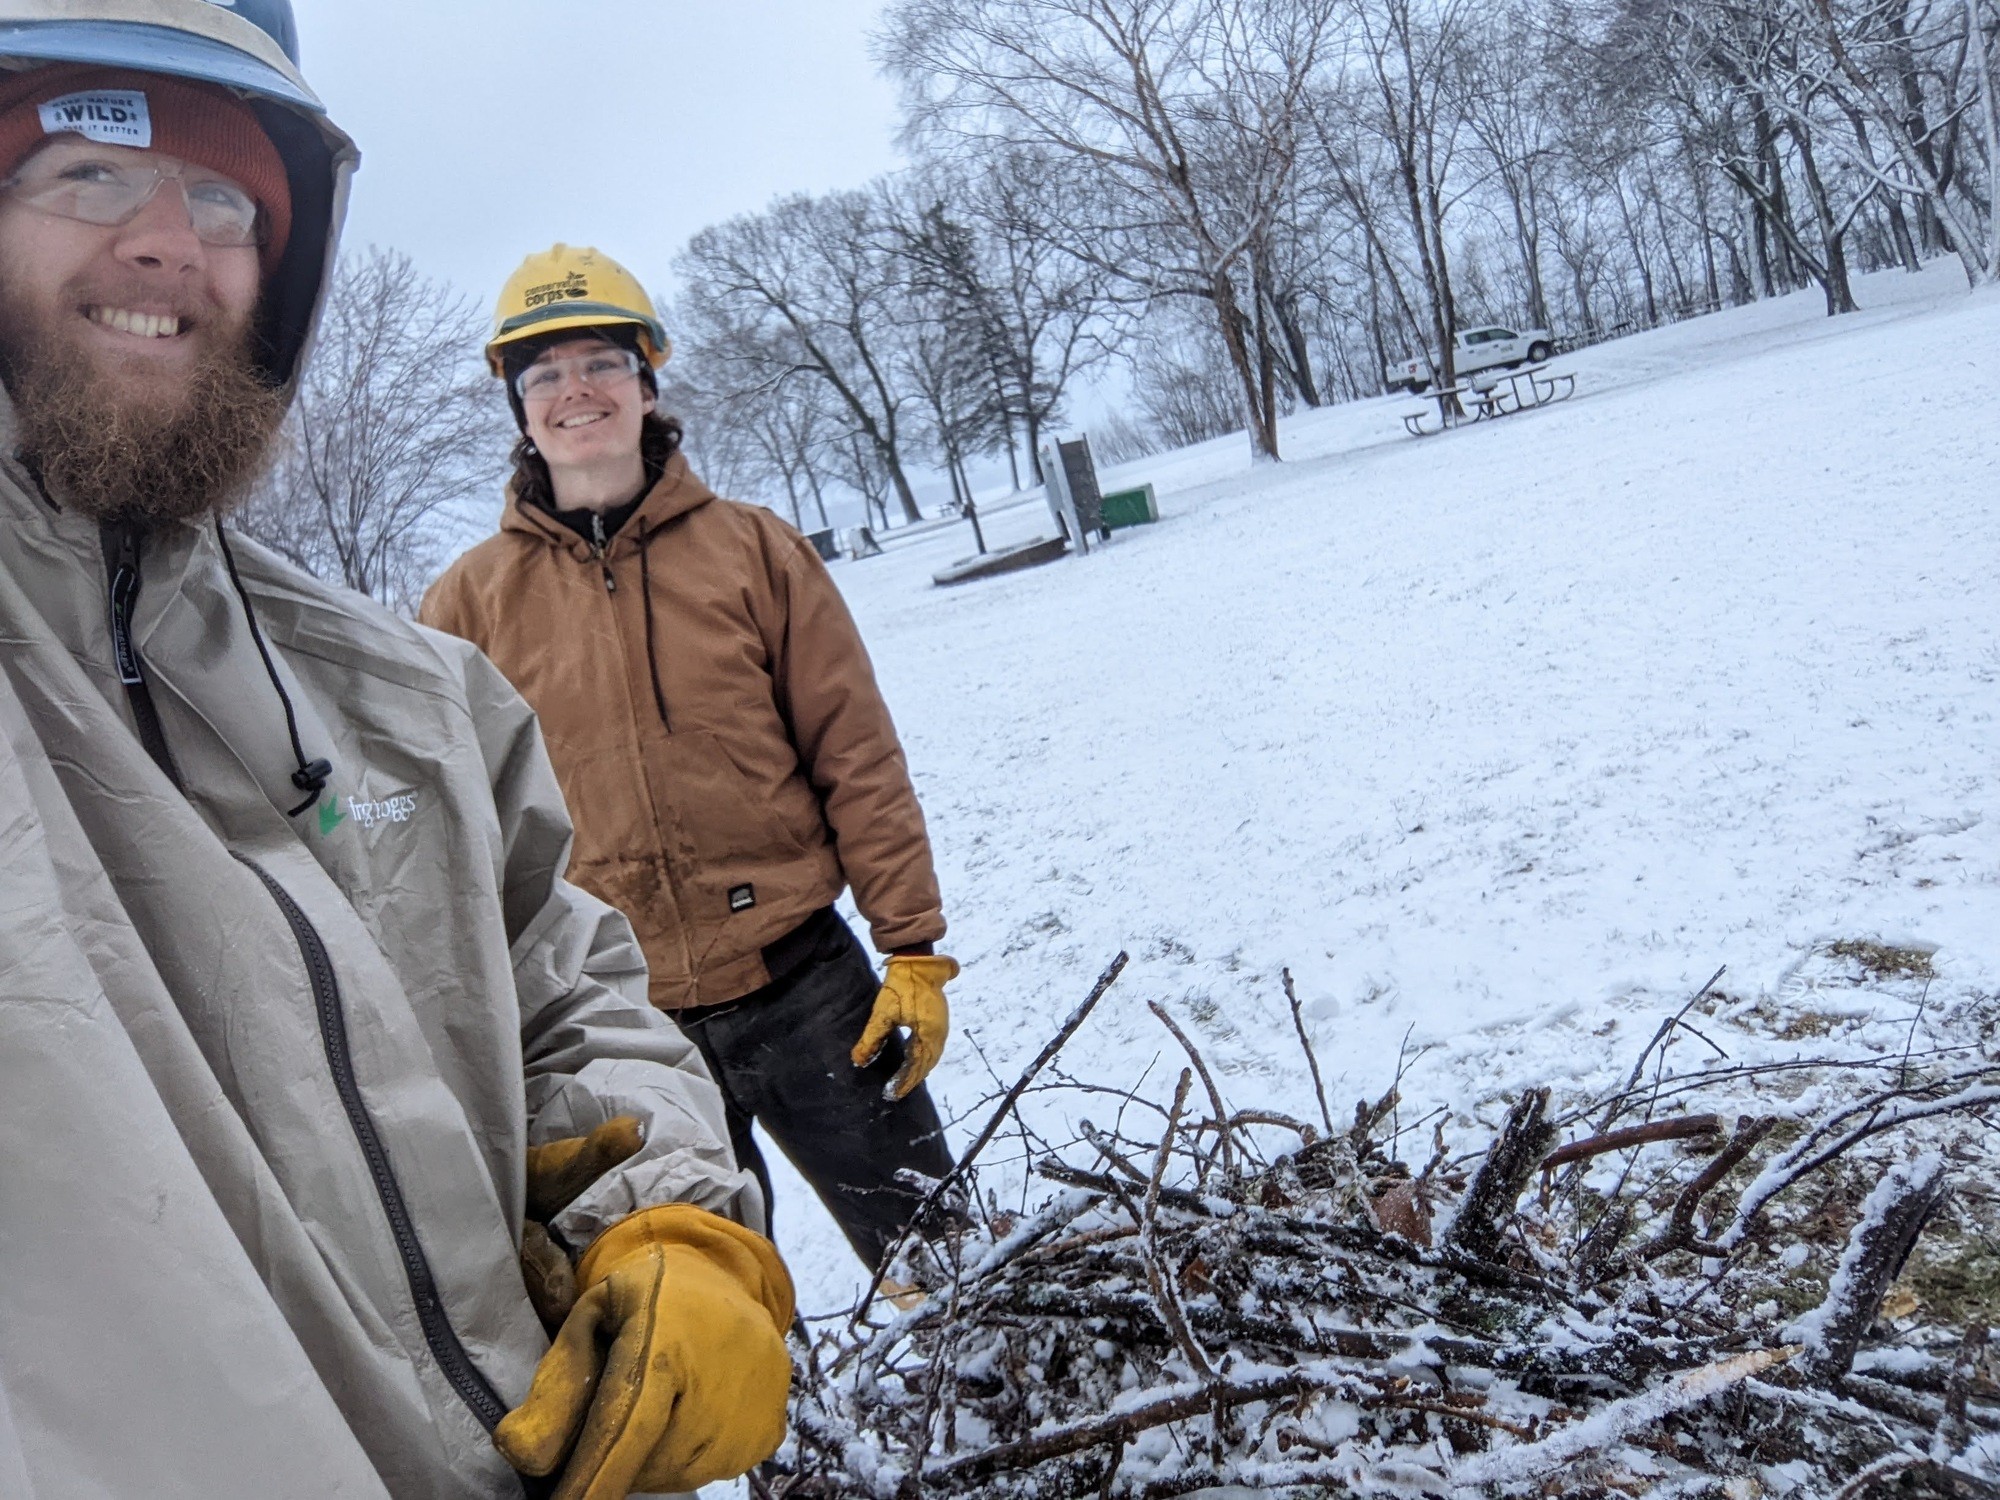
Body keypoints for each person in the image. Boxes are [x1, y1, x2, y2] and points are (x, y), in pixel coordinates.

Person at [0, 4, 791, 1497]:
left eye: (225, 194)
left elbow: (555, 970)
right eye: (87, 169)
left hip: (794, 971)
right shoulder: (473, 595)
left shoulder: (414, 687)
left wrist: (664, 1204)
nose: (169, 241)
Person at [421, 246, 960, 1272]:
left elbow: (854, 750)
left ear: (646, 382)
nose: (573, 391)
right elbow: (448, 825)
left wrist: (912, 940)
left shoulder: (754, 551)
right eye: (543, 375)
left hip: (806, 987)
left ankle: (998, 1408)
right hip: (620, 1029)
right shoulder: (465, 606)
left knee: (937, 1257)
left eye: (600, 363)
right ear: (519, 409)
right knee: (698, 1316)